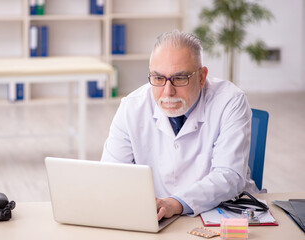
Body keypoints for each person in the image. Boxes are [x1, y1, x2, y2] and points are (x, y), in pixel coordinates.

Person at [101, 30, 259, 220]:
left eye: (179, 78)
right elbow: (112, 174)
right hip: (158, 217)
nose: (168, 92)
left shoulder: (230, 101)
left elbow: (229, 175)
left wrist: (175, 203)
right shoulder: (131, 107)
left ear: (202, 77)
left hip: (224, 213)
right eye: (158, 78)